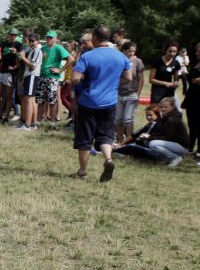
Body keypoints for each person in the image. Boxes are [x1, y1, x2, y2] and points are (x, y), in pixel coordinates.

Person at [70, 26, 132, 181]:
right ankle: (108, 159)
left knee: (85, 138)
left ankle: (83, 172)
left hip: (89, 102)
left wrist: (85, 79)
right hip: (110, 102)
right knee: (105, 135)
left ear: (95, 38)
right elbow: (129, 77)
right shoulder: (121, 56)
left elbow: (75, 78)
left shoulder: (88, 56)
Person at [113, 98, 189, 165]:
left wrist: (149, 137)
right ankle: (116, 151)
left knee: (146, 144)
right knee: (136, 145)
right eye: (161, 107)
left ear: (172, 107)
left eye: (166, 107)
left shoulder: (170, 120)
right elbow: (135, 134)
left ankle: (174, 157)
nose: (163, 109)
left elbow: (168, 137)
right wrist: (122, 143)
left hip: (180, 147)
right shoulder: (162, 120)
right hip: (169, 147)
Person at [37, 31, 70, 123]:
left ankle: (52, 122)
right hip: (41, 76)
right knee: (40, 101)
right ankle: (38, 121)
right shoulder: (42, 48)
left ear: (55, 39)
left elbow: (71, 59)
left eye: (51, 38)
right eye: (47, 37)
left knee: (52, 101)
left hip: (52, 78)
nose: (48, 39)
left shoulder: (59, 48)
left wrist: (60, 70)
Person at [115, 41, 145, 144]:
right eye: (129, 51)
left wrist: (138, 93)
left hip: (131, 94)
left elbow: (141, 79)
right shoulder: (118, 61)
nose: (131, 53)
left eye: (133, 51)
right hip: (118, 94)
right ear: (123, 50)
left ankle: (128, 141)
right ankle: (119, 140)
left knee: (128, 119)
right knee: (118, 119)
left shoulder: (137, 62)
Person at [0, 30, 21, 124]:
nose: (13, 36)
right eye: (11, 35)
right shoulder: (4, 43)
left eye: (15, 35)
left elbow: (21, 57)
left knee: (9, 96)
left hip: (10, 73)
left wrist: (16, 52)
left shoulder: (18, 44)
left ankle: (6, 117)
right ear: (8, 35)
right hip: (1, 71)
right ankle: (0, 115)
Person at [17, 33, 42, 131]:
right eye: (30, 40)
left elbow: (33, 66)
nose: (31, 42)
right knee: (31, 100)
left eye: (33, 41)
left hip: (32, 76)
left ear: (38, 41)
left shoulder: (37, 51)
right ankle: (32, 123)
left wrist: (23, 58)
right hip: (29, 76)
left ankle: (27, 125)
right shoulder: (32, 50)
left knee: (28, 99)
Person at [183, 42, 200, 159]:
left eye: (198, 51)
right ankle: (190, 147)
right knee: (192, 124)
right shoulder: (196, 63)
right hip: (191, 97)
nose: (196, 53)